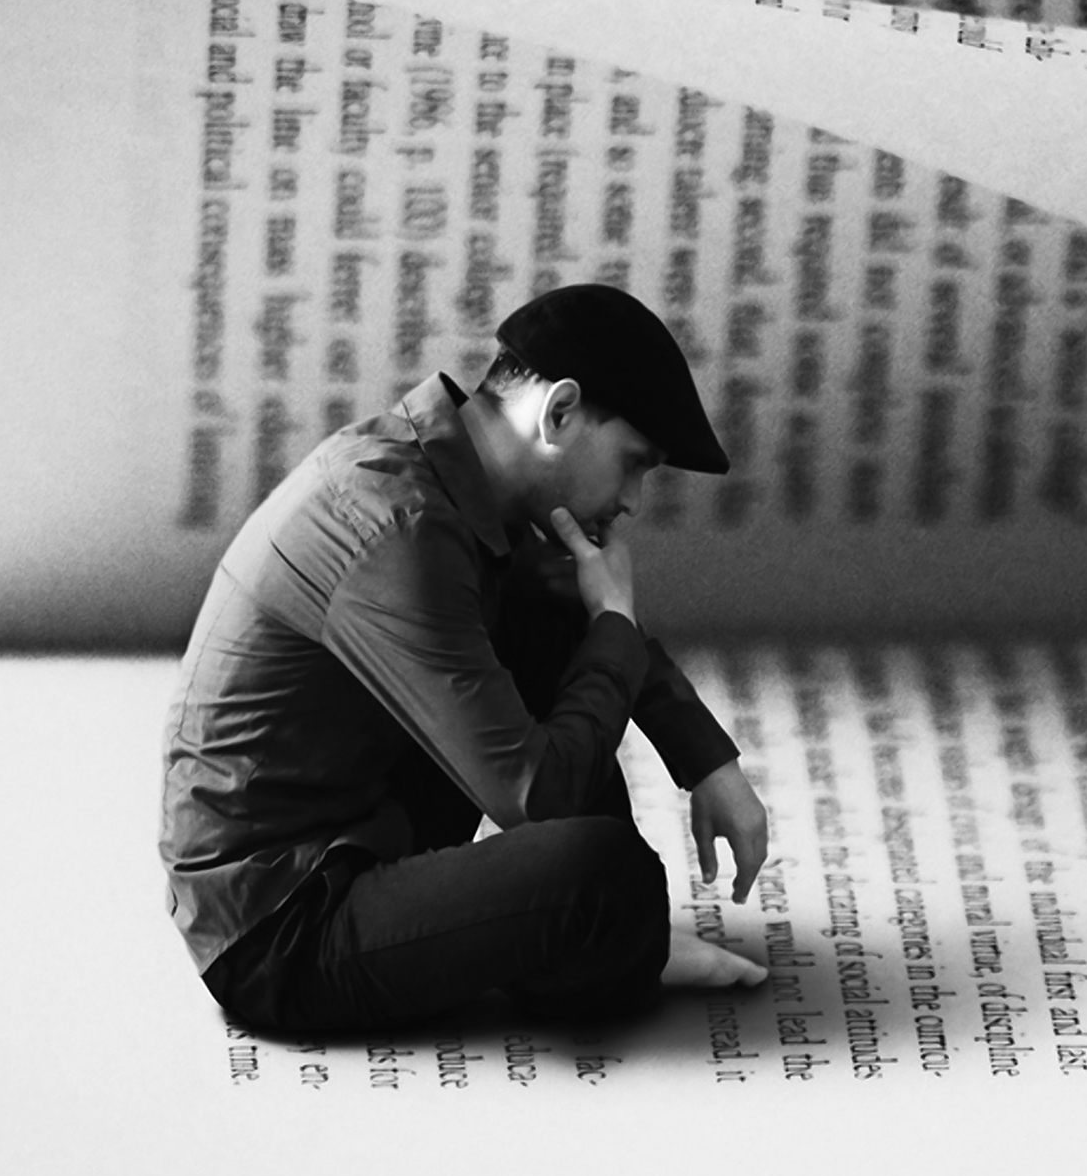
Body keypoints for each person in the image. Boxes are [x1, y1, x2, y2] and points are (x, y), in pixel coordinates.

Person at [160, 283, 771, 1034]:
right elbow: (534, 795)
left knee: (545, 627)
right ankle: (598, 950)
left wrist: (708, 763)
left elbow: (563, 620)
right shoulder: (399, 527)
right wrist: (613, 618)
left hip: (362, 820)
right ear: (560, 413)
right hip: (279, 926)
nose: (634, 501)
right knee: (608, 878)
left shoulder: (450, 475)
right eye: (634, 463)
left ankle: (577, 943)